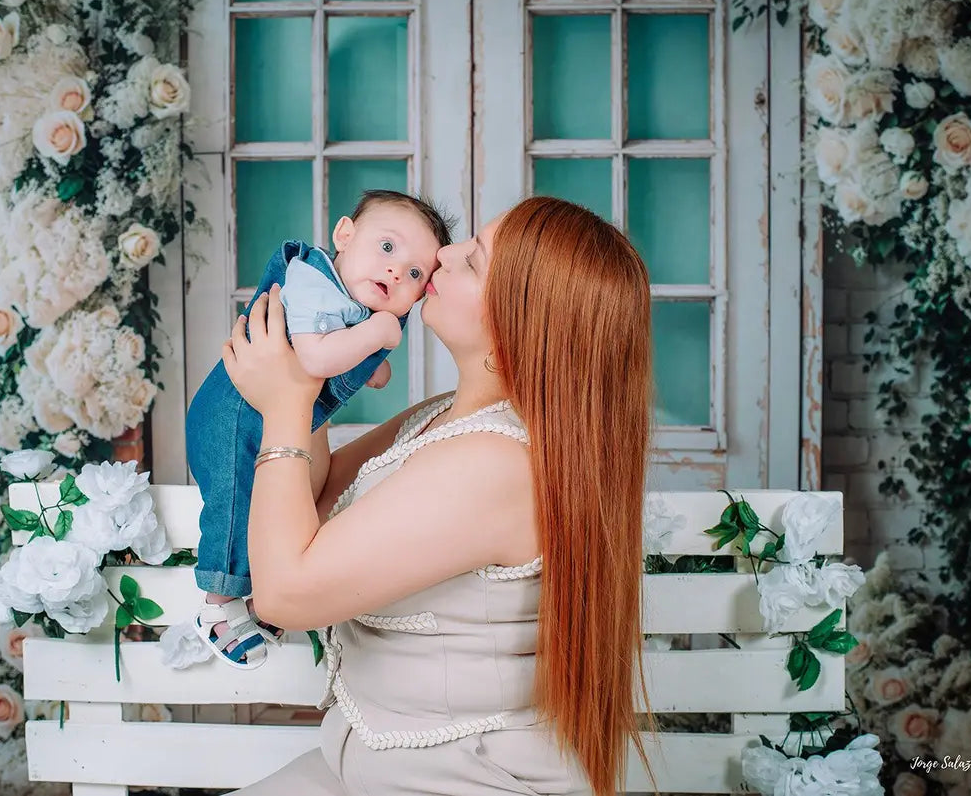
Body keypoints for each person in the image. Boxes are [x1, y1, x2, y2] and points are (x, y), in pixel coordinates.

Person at [219, 196, 661, 796]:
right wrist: (309, 366)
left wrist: (287, 403)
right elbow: (312, 506)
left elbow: (283, 595)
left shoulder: (493, 464)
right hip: (364, 768)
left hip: (456, 782)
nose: (443, 255)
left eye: (473, 262)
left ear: (515, 329)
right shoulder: (441, 420)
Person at [185, 190, 453, 668]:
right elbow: (314, 357)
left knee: (277, 506)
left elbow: (354, 362)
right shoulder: (312, 279)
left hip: (272, 422)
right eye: (387, 248)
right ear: (344, 236)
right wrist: (377, 335)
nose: (396, 271)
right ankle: (218, 606)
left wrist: (372, 356)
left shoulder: (354, 304)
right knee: (234, 505)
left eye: (415, 273)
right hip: (231, 420)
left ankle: (261, 597)